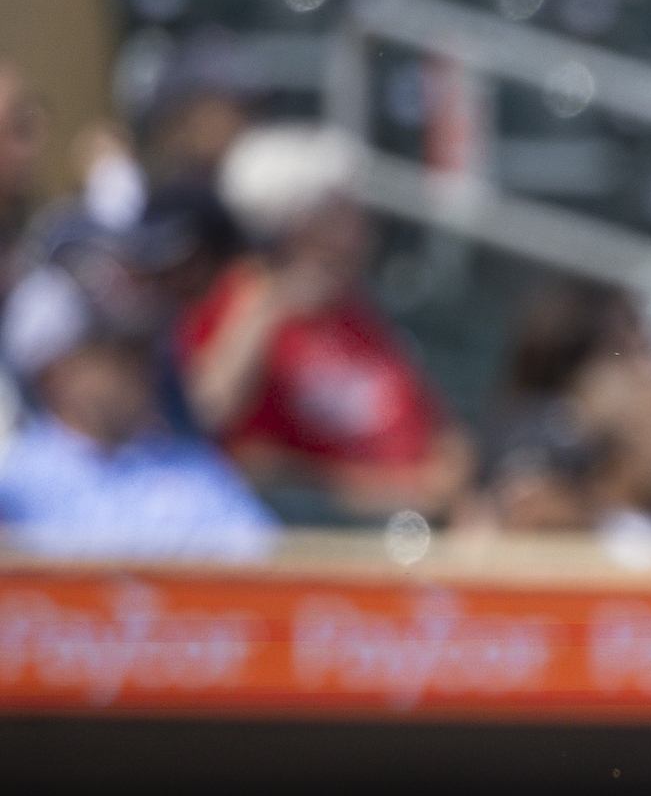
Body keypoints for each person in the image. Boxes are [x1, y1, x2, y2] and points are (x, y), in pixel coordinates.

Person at [175, 126, 469, 520]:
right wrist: (265, 310)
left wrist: (449, 475)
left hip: (410, 525)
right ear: (296, 224)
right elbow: (207, 412)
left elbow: (435, 430)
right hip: (316, 535)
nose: (364, 228)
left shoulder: (353, 310)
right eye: (344, 213)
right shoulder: (238, 300)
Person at [0, 256, 273, 558]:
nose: (141, 372)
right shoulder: (13, 477)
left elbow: (273, 568)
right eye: (116, 357)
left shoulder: (195, 469)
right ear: (53, 372)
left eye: (143, 354)